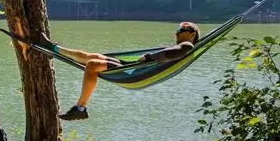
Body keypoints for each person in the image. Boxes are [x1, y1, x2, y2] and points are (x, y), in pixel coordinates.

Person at [38, 22, 201, 121]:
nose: (177, 32)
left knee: (93, 64)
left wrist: (148, 56)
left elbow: (169, 54)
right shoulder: (183, 45)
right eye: (178, 29)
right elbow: (168, 54)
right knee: (93, 57)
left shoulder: (187, 46)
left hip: (135, 74)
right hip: (133, 70)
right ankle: (53, 48)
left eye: (182, 29)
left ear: (192, 34)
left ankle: (80, 108)